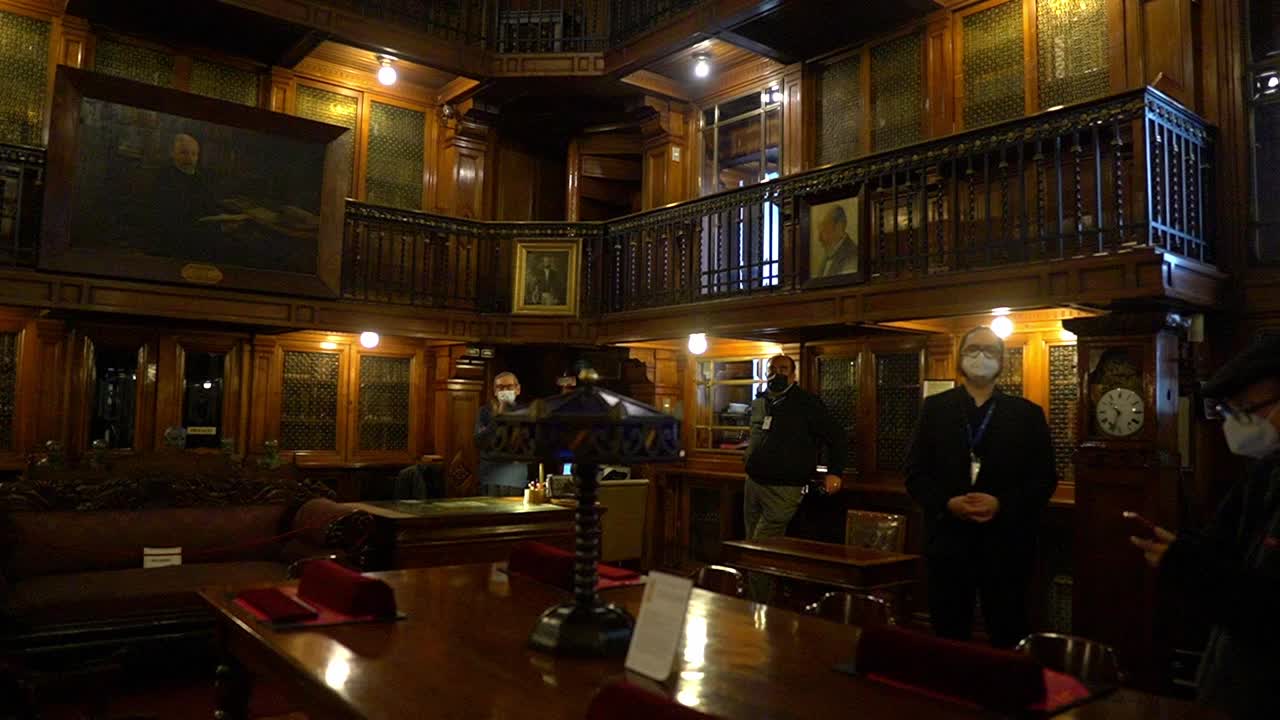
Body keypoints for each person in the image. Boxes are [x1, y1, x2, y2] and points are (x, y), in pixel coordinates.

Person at [1128, 334, 1280, 719]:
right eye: (1230, 413)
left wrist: (1191, 567)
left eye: (1248, 410)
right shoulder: (1264, 471)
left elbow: (1268, 608)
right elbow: (1224, 549)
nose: (1237, 425)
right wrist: (1184, 551)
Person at [905, 326, 1057, 648]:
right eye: (973, 349)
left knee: (1008, 630)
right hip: (948, 541)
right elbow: (915, 474)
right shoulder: (935, 409)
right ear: (960, 358)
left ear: (1002, 361)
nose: (981, 357)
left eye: (990, 351)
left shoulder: (1027, 414)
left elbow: (1043, 479)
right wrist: (948, 503)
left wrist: (1002, 504)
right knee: (948, 634)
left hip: (1006, 544)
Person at [743, 354, 846, 602]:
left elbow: (837, 437)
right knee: (749, 545)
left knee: (760, 548)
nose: (777, 374)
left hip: (784, 488)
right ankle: (759, 600)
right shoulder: (762, 401)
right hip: (754, 484)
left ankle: (757, 606)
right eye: (772, 369)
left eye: (783, 369)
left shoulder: (807, 403)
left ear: (793, 374)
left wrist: (835, 472)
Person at [473, 371, 529, 497]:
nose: (505, 391)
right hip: (490, 476)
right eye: (500, 388)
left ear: (517, 389)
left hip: (516, 477)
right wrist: (498, 417)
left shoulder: (526, 413)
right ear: (495, 391)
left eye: (509, 387)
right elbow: (479, 441)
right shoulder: (485, 412)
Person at [814, 204, 858, 278]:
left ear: (839, 227)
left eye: (824, 230)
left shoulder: (853, 256)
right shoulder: (826, 257)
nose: (819, 239)